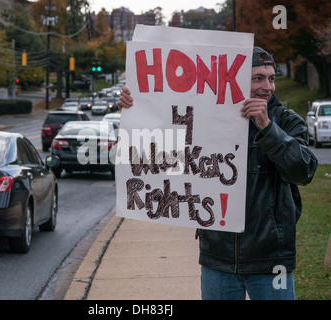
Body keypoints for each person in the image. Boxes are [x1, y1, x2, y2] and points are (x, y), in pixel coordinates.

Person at [117, 46, 318, 300]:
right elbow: (160, 157)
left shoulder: (287, 121)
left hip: (271, 261)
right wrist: (134, 110)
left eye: (272, 78)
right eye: (258, 78)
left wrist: (267, 129)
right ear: (232, 82)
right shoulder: (205, 120)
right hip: (217, 260)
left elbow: (304, 172)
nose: (268, 87)